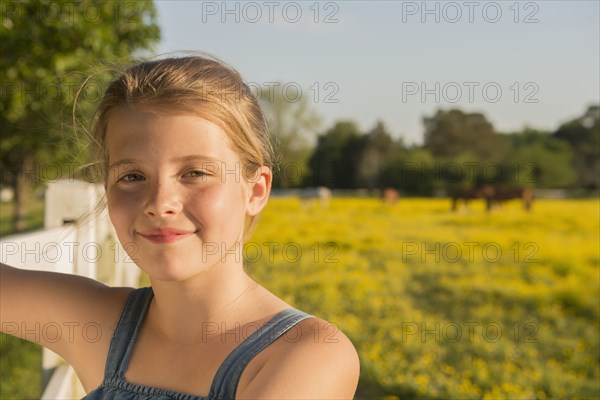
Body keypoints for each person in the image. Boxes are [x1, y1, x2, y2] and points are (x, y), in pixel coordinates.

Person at [0, 54, 360, 399]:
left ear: (255, 190)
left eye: (196, 173)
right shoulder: (94, 324)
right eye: (132, 176)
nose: (159, 203)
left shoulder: (306, 354)